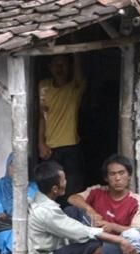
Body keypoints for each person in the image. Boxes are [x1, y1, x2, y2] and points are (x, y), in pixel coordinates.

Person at [27, 161, 136, 254]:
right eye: (64, 180)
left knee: (72, 211)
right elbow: (83, 232)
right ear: (55, 189)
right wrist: (120, 240)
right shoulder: (47, 212)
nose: (67, 182)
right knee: (93, 247)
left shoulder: (39, 198)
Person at [38, 54, 86, 202]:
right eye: (56, 64)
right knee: (51, 190)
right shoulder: (44, 87)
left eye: (64, 64)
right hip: (50, 148)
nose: (60, 68)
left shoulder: (75, 87)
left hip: (71, 146)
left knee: (72, 189)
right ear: (49, 67)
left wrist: (74, 44)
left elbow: (78, 65)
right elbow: (42, 117)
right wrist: (41, 143)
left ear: (70, 66)